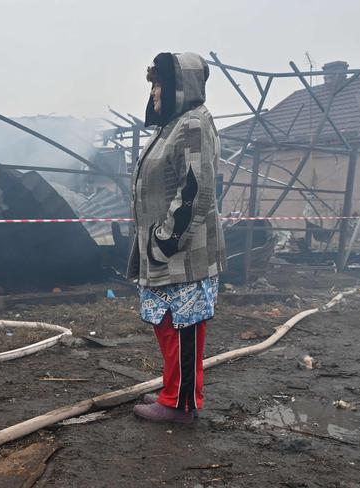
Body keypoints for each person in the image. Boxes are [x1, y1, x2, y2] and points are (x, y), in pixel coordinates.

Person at [127, 52, 226, 424]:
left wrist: (165, 238)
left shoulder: (194, 124)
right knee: (167, 323)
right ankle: (174, 389)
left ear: (178, 87)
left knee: (184, 326)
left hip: (182, 251)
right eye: (153, 85)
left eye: (159, 84)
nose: (154, 93)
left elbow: (195, 190)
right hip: (164, 249)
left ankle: (181, 405)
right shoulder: (172, 125)